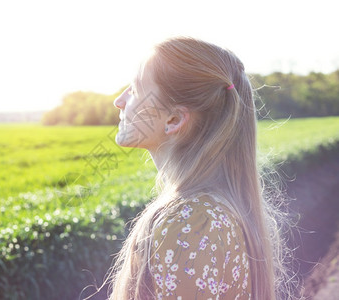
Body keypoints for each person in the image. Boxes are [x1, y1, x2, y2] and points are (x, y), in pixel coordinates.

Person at [103, 36, 296, 299]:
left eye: (135, 89)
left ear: (173, 120)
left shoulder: (190, 222)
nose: (119, 101)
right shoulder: (206, 212)